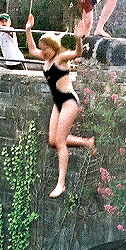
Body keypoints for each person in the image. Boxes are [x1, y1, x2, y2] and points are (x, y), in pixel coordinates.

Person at [25, 13, 96, 198]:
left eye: (46, 49)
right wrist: (28, 30)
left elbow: (77, 53)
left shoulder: (60, 58)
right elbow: (31, 49)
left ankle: (61, 183)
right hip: (57, 104)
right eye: (42, 49)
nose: (43, 52)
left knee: (60, 143)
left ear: (53, 47)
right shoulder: (46, 59)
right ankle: (87, 142)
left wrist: (78, 39)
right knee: (52, 140)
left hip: (69, 102)